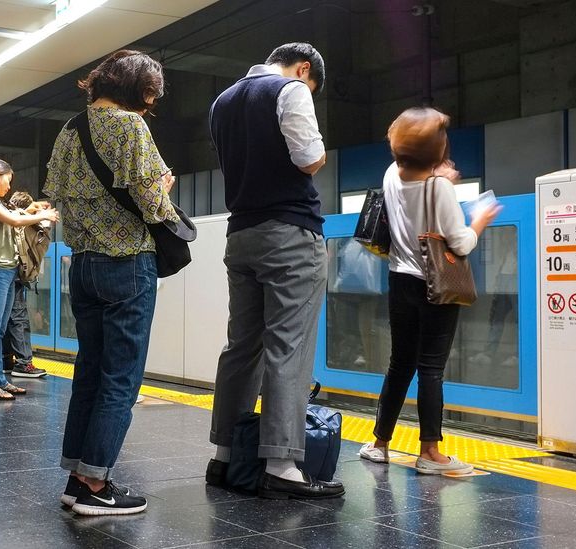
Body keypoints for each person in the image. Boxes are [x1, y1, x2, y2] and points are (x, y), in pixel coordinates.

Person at [207, 43, 344, 499]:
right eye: (312, 84)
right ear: (304, 68)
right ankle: (281, 465)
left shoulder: (221, 102)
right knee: (289, 346)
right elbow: (308, 157)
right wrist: (318, 154)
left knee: (241, 347)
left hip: (240, 235)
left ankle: (224, 457)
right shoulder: (289, 89)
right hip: (289, 233)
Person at [43, 50, 176, 515]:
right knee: (121, 378)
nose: (149, 107)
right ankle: (96, 485)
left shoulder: (68, 130)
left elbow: (54, 195)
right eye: (150, 96)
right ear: (139, 90)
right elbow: (152, 202)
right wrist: (165, 188)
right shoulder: (130, 127)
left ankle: (76, 478)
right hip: (127, 263)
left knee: (90, 371)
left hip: (82, 263)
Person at [358, 108, 500, 474]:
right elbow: (461, 243)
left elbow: (413, 193)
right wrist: (479, 222)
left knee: (399, 364)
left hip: (399, 280)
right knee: (431, 368)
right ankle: (430, 453)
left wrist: (440, 180)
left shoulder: (391, 174)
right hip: (434, 284)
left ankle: (379, 444)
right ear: (437, 151)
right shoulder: (439, 188)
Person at [0, 160, 58, 400]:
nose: (9, 186)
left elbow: (15, 213)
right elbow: (14, 220)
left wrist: (31, 209)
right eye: (8, 180)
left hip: (7, 269)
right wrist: (41, 214)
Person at [2, 191, 48, 378]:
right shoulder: (20, 221)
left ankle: (6, 359)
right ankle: (24, 363)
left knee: (4, 318)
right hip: (15, 273)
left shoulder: (4, 215)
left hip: (4, 272)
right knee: (19, 317)